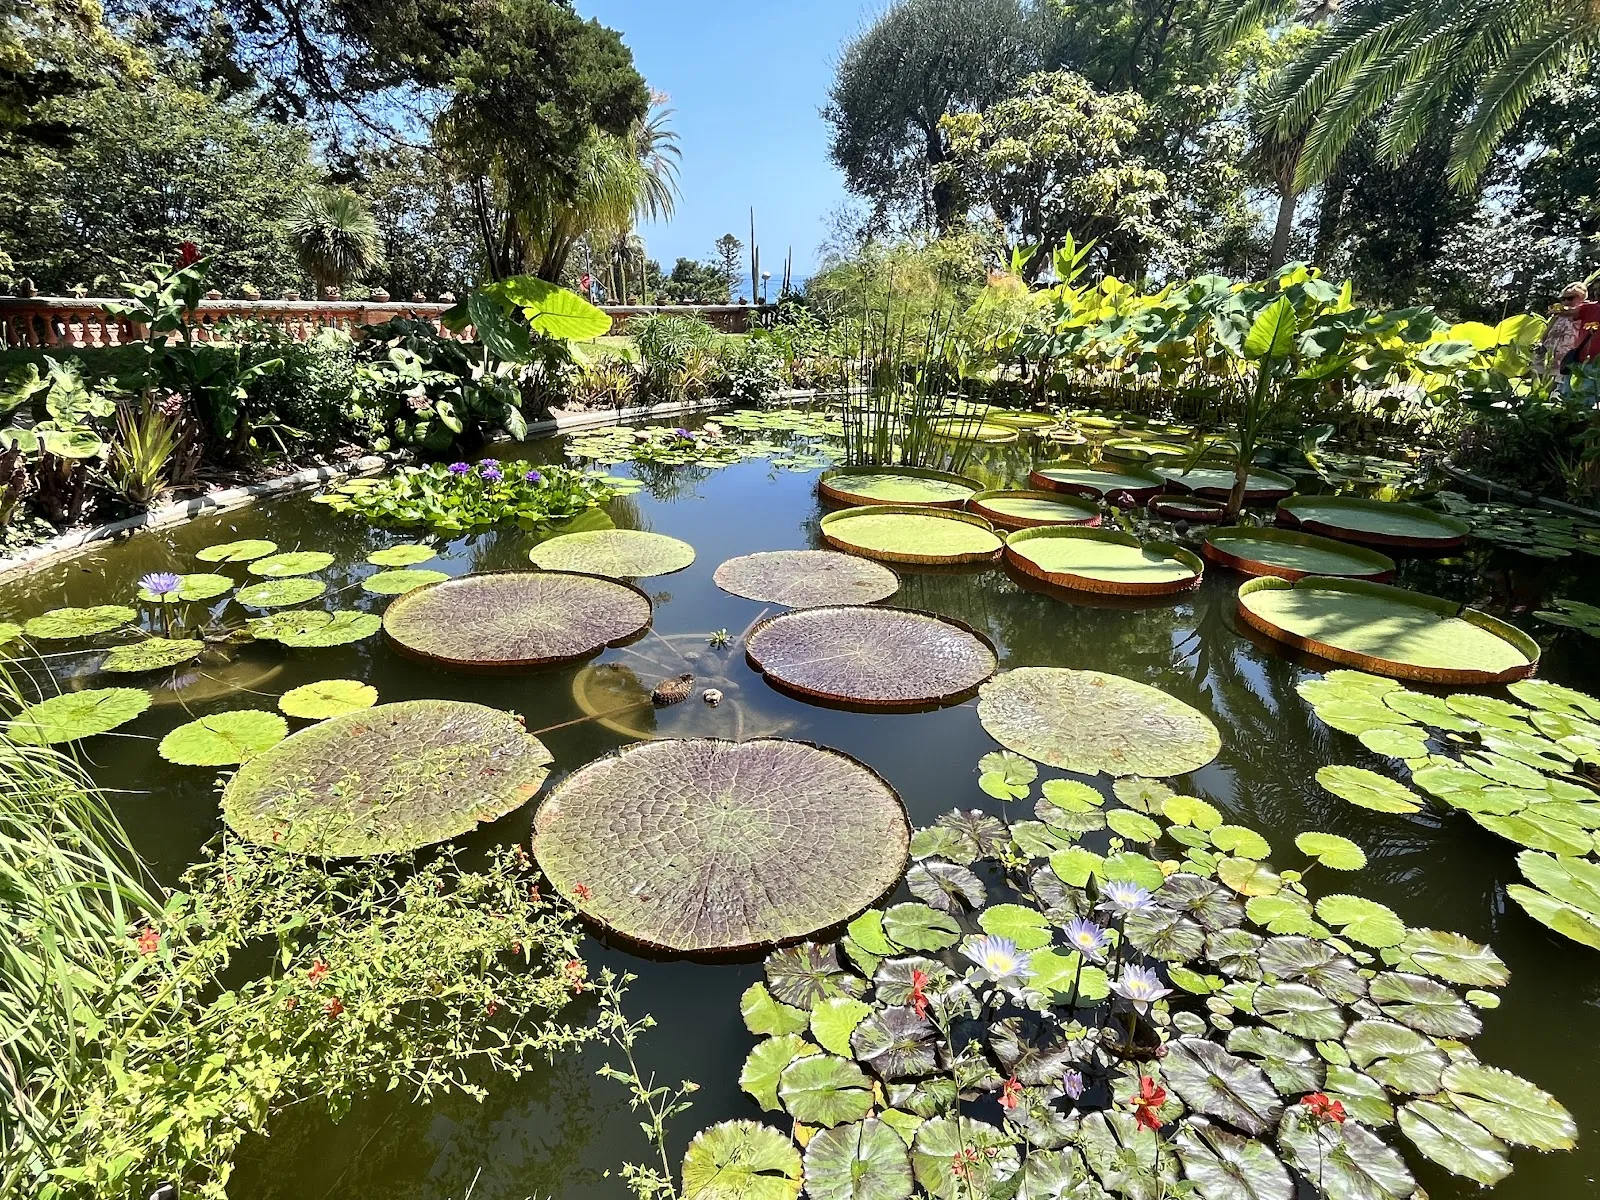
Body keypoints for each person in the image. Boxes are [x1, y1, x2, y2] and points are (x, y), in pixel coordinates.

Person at [1534, 282, 1586, 379]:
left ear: (1582, 298)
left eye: (1570, 298)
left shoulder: (1585, 316)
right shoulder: (1557, 315)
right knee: (1539, 385)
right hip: (1547, 357)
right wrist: (1540, 343)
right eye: (1563, 299)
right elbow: (1545, 334)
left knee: (1557, 390)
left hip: (1566, 362)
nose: (1566, 301)